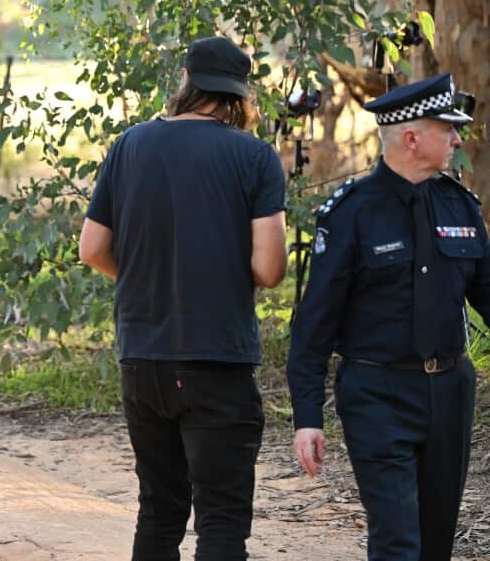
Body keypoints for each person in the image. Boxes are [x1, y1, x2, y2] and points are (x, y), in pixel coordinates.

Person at [78, 36, 288, 560]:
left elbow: (92, 248)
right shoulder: (254, 156)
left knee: (159, 509)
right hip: (217, 358)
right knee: (219, 519)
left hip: (143, 356)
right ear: (238, 96)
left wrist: (150, 276)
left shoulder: (130, 145)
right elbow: (268, 268)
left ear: (187, 83)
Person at [287, 72, 488, 561]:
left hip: (449, 393)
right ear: (413, 137)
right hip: (378, 396)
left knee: (435, 541)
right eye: (449, 128)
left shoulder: (460, 206)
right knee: (398, 541)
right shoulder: (352, 213)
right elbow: (314, 323)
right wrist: (307, 417)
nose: (458, 138)